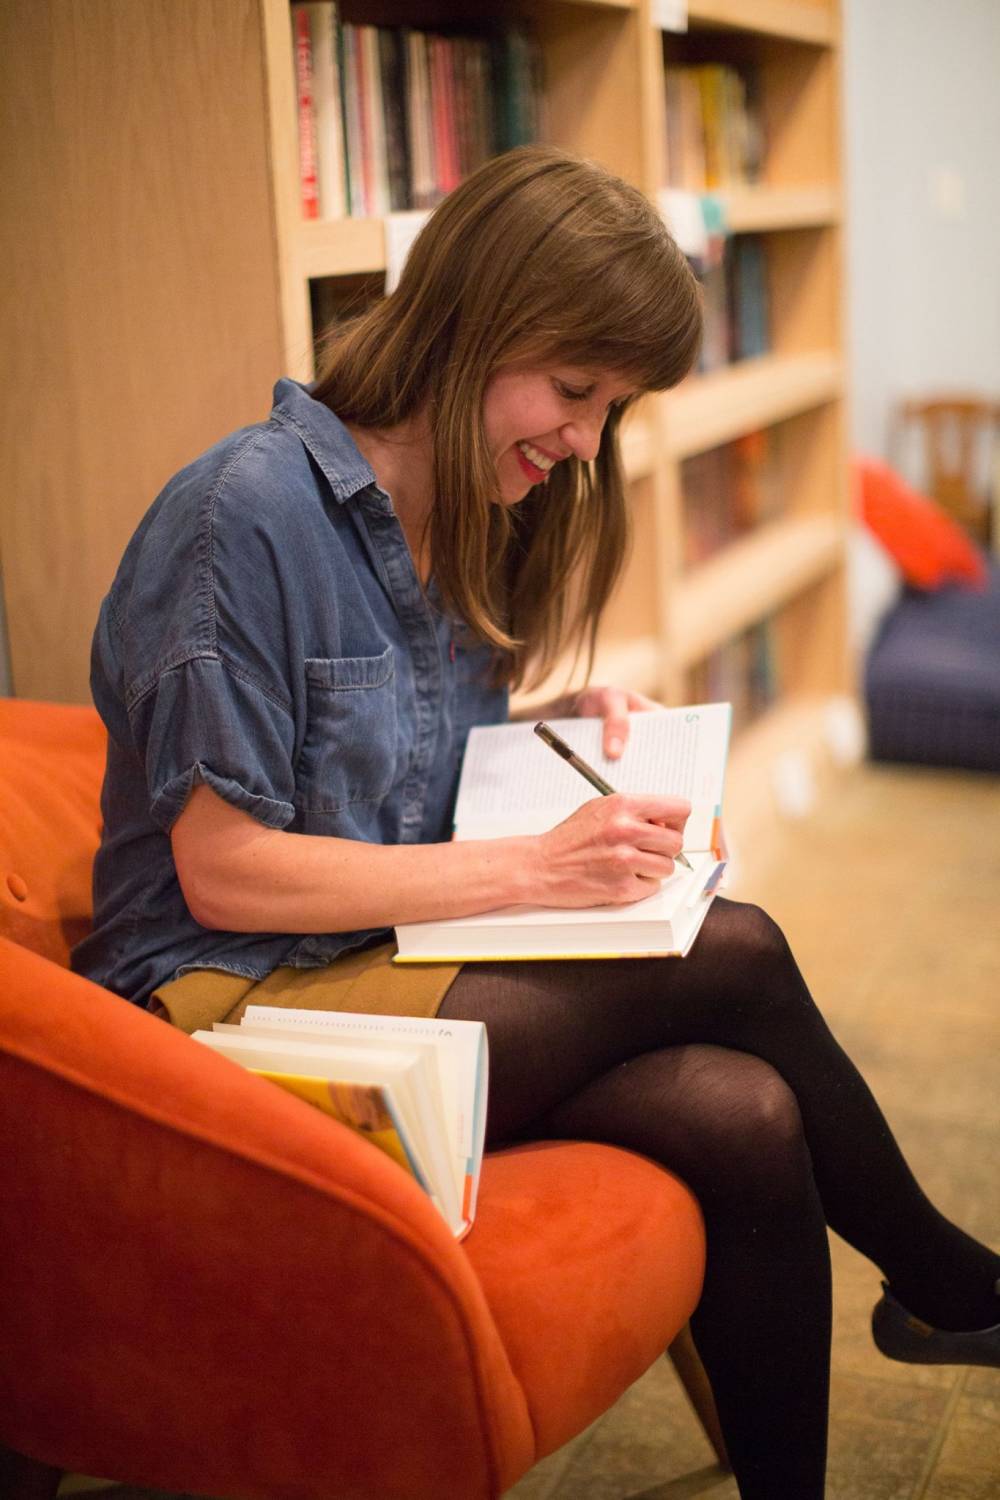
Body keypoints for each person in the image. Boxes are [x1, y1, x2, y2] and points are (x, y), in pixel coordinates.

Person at [73, 145, 999, 1499]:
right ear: (470, 323)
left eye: (609, 407)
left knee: (744, 1113)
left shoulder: (462, 505)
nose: (584, 441)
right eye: (575, 391)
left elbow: (397, 784)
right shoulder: (245, 515)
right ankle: (950, 1282)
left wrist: (557, 734)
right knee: (729, 953)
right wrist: (538, 863)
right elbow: (222, 874)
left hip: (371, 970)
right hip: (218, 1020)